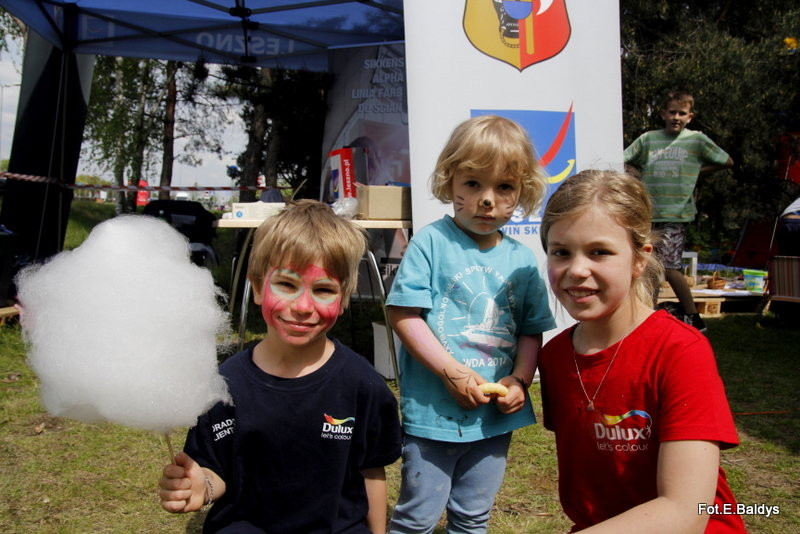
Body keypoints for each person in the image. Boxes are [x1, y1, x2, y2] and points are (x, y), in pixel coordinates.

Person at [158, 200, 402, 534]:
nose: (302, 306)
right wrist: (202, 486)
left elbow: (371, 472)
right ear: (257, 287)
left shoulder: (364, 385)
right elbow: (215, 471)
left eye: (323, 289)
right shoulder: (223, 385)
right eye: (286, 284)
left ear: (344, 297)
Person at [538, 169, 745, 532]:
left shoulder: (681, 351)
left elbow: (687, 511)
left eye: (599, 251)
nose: (577, 269)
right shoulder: (554, 356)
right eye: (561, 252)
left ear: (639, 258)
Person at [386, 115, 556, 533]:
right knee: (417, 517)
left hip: (495, 418)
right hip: (434, 414)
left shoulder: (521, 258)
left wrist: (519, 379)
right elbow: (403, 314)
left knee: (472, 516)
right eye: (473, 184)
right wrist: (449, 370)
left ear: (523, 192)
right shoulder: (431, 242)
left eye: (504, 187)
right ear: (450, 182)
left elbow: (529, 329)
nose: (487, 200)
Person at [624, 90, 733, 332]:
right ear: (663, 114)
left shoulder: (696, 140)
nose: (676, 117)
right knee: (648, 265)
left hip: (676, 214)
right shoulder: (648, 139)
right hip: (649, 213)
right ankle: (648, 315)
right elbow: (623, 157)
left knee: (670, 267)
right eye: (672, 112)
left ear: (690, 117)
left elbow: (726, 161)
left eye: (681, 113)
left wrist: (696, 171)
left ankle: (693, 316)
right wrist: (635, 174)